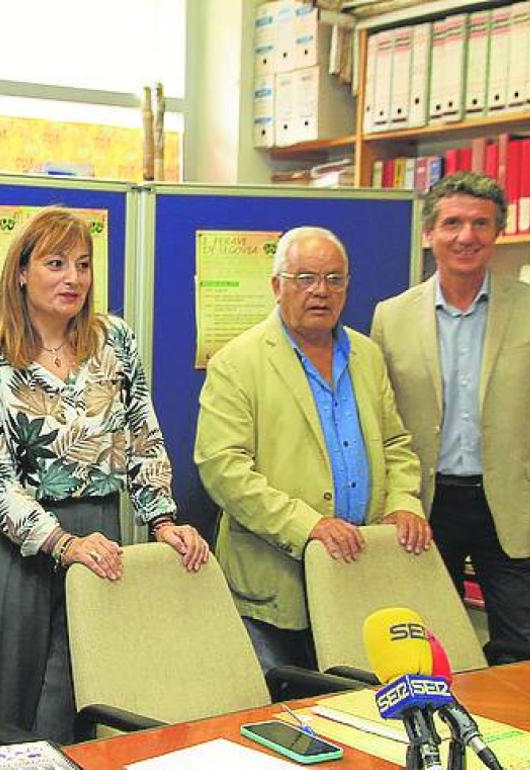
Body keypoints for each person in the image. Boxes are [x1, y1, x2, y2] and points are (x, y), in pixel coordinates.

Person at [0, 207, 208, 743]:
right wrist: (62, 543)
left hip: (100, 529)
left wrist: (162, 519)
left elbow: (142, 433)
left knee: (82, 696)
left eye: (83, 264)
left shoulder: (115, 342)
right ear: (20, 272)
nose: (74, 278)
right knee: (9, 714)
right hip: (14, 549)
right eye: (55, 263)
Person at [195, 226, 429, 673]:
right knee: (284, 716)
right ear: (276, 286)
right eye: (304, 278)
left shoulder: (367, 355)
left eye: (334, 279)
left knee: (357, 705)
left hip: (359, 570)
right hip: (275, 584)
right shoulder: (237, 362)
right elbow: (222, 468)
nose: (320, 291)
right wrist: (310, 525)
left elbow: (397, 443)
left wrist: (403, 502)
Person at [371, 172, 530, 663]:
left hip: (510, 505)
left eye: (480, 223)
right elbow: (380, 426)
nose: (467, 236)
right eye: (453, 223)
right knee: (426, 646)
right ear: (429, 234)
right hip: (425, 506)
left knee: (529, 646)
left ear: (497, 232)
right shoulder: (391, 316)